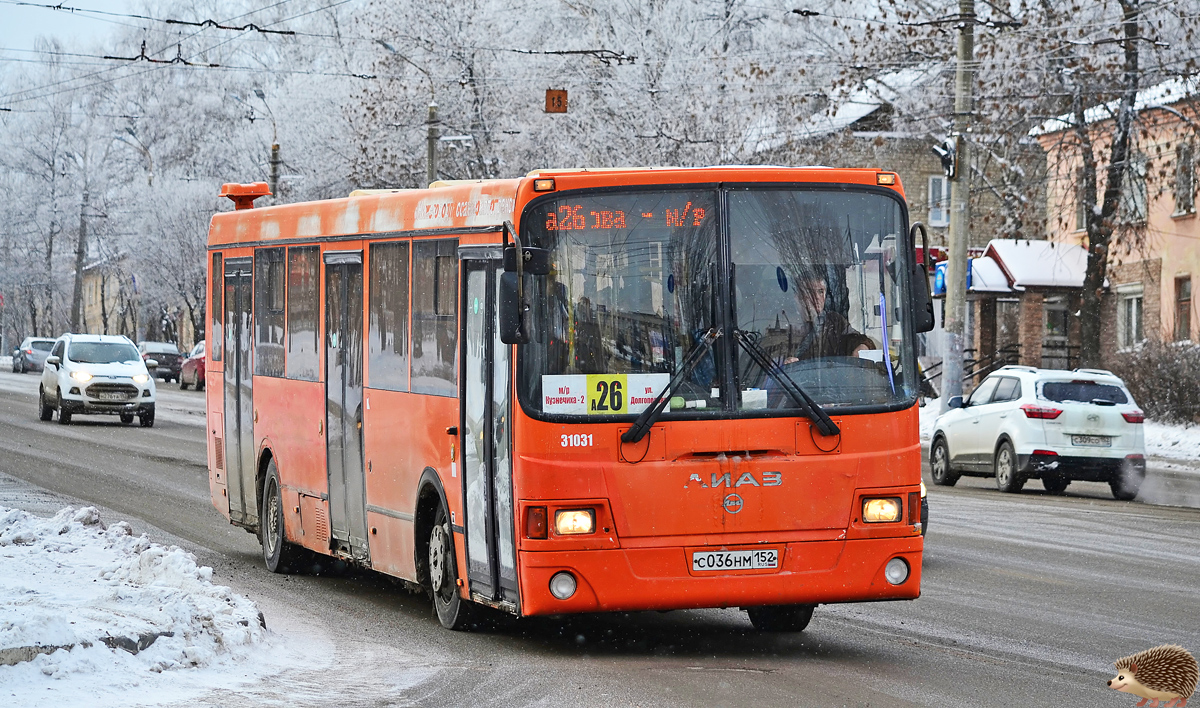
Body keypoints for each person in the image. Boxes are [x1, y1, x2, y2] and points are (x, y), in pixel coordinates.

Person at [783, 273, 874, 363]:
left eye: (820, 291)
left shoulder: (834, 321)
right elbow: (772, 361)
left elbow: (853, 338)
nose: (817, 297)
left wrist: (863, 345)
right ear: (798, 297)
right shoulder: (786, 323)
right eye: (810, 292)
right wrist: (786, 364)